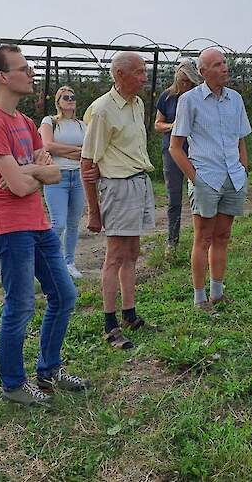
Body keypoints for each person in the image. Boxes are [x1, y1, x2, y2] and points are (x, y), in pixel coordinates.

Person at [0, 44, 90, 406]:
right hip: (8, 228)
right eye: (23, 68)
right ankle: (13, 384)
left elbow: (50, 174)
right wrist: (36, 173)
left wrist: (31, 171)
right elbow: (23, 185)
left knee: (65, 295)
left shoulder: (23, 123)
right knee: (20, 304)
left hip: (37, 224)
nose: (31, 73)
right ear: (3, 77)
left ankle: (49, 369)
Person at [81, 52, 155, 350]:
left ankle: (130, 314)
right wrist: (93, 212)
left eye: (144, 71)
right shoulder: (102, 111)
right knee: (115, 255)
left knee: (132, 251)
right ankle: (109, 325)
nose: (144, 77)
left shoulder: (136, 104)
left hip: (138, 182)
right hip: (118, 186)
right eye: (139, 72)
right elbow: (87, 164)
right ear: (120, 75)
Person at [170, 48, 251, 313]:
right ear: (203, 72)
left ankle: (218, 293)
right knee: (203, 237)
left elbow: (240, 138)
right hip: (207, 177)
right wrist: (197, 179)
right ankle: (200, 298)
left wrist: (243, 168)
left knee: (223, 236)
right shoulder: (190, 101)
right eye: (217, 64)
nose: (225, 68)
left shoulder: (235, 99)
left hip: (232, 177)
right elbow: (175, 147)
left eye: (225, 62)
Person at [154, 58, 202, 252]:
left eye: (189, 82)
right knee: (174, 196)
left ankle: (202, 238)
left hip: (196, 150)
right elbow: (158, 124)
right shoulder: (167, 97)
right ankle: (172, 240)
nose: (185, 85)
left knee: (200, 192)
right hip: (172, 150)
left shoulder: (199, 97)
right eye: (182, 81)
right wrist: (173, 126)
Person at [39, 85, 86, 279]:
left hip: (78, 176)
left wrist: (63, 150)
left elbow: (88, 151)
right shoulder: (49, 121)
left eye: (72, 96)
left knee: (74, 223)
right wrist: (76, 150)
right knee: (58, 222)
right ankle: (46, 260)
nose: (70, 99)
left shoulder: (82, 125)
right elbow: (48, 146)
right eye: (65, 97)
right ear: (58, 102)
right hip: (57, 176)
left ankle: (69, 262)